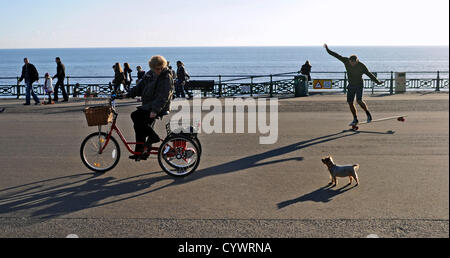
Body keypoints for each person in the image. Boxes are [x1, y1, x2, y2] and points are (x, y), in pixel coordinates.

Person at [126, 55, 174, 160]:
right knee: (138, 126)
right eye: (157, 69)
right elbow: (139, 88)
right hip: (149, 105)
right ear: (152, 68)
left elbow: (164, 96)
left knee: (136, 116)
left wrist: (155, 110)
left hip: (159, 106)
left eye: (161, 68)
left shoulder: (166, 77)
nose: (159, 70)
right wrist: (127, 94)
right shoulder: (149, 74)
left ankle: (153, 137)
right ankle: (140, 152)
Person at [324, 44, 382, 126]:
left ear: (356, 61)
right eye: (351, 63)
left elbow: (369, 74)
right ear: (349, 61)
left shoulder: (361, 66)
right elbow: (336, 55)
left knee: (359, 100)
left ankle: (368, 113)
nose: (352, 64)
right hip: (351, 85)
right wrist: (327, 49)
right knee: (350, 102)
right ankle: (355, 119)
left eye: (353, 63)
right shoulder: (346, 61)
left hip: (359, 84)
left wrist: (377, 82)